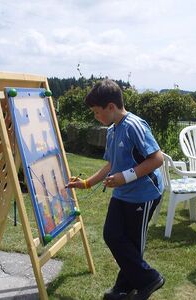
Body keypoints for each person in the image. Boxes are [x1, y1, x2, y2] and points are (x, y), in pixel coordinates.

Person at [67, 79, 165, 300]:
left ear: (111, 107)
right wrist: (86, 183)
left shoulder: (134, 126)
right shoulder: (112, 130)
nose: (95, 117)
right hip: (123, 193)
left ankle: (136, 284)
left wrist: (125, 177)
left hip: (144, 194)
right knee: (112, 235)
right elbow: (111, 164)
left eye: (96, 112)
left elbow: (157, 159)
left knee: (133, 243)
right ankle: (135, 283)